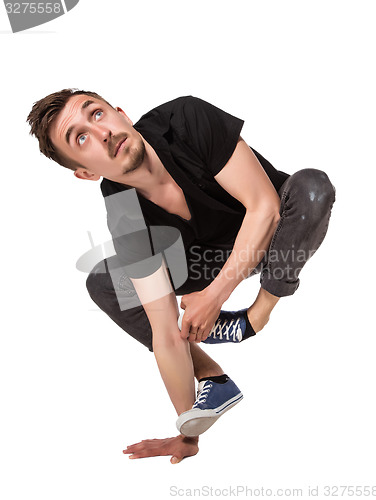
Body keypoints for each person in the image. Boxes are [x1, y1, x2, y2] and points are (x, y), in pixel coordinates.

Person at [27, 89, 336, 464]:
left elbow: (265, 207)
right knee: (105, 281)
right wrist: (187, 431)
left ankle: (253, 316)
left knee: (313, 188)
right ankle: (214, 380)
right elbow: (163, 333)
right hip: (200, 264)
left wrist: (225, 302)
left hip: (273, 237)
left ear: (120, 113)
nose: (102, 133)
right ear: (86, 172)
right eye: (80, 138)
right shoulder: (124, 211)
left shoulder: (186, 119)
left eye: (96, 115)